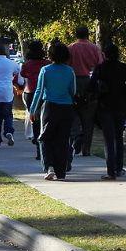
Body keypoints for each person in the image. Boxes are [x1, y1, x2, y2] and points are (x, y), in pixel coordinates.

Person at [88, 44, 126, 180]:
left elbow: (91, 87)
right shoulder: (124, 68)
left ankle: (110, 171)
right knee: (118, 137)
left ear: (105, 54)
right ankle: (119, 167)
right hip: (121, 107)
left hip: (105, 106)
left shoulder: (100, 69)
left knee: (108, 139)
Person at [30, 42, 76, 181]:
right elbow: (72, 90)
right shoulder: (70, 71)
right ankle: (61, 172)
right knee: (62, 140)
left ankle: (48, 167)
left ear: (51, 55)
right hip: (66, 107)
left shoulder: (46, 70)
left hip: (50, 107)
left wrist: (33, 109)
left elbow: (39, 90)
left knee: (45, 137)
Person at [68, 26, 103, 156]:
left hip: (74, 81)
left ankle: (76, 137)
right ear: (88, 34)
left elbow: (66, 64)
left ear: (76, 34)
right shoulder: (95, 48)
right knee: (89, 117)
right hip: (90, 82)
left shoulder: (71, 48)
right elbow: (100, 64)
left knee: (74, 113)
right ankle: (86, 149)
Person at [20, 41, 50, 160]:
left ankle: (38, 146)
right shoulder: (47, 64)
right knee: (45, 119)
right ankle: (42, 142)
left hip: (30, 93)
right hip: (44, 93)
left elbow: (23, 75)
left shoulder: (27, 64)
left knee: (34, 119)